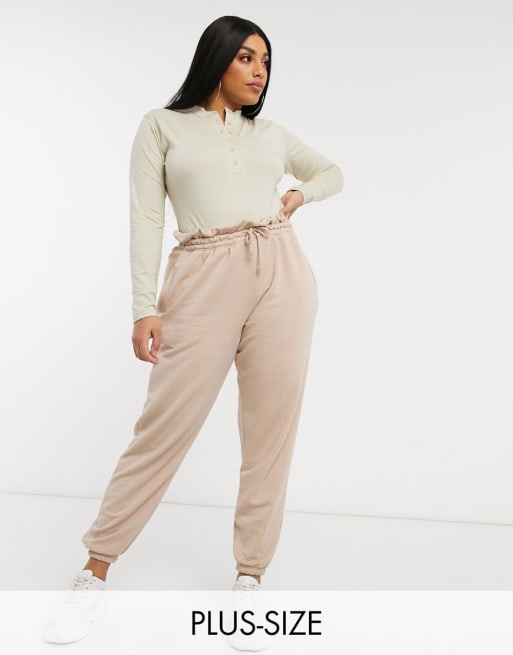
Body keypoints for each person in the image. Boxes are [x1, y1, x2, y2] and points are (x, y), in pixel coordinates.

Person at [42, 14, 344, 646]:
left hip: (281, 273)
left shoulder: (270, 134)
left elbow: (331, 172)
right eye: (247, 58)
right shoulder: (161, 126)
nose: (259, 72)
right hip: (201, 275)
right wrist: (142, 306)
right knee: (163, 428)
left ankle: (250, 577)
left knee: (270, 433)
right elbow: (145, 218)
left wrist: (299, 197)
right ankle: (95, 571)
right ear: (216, 58)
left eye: (266, 61)